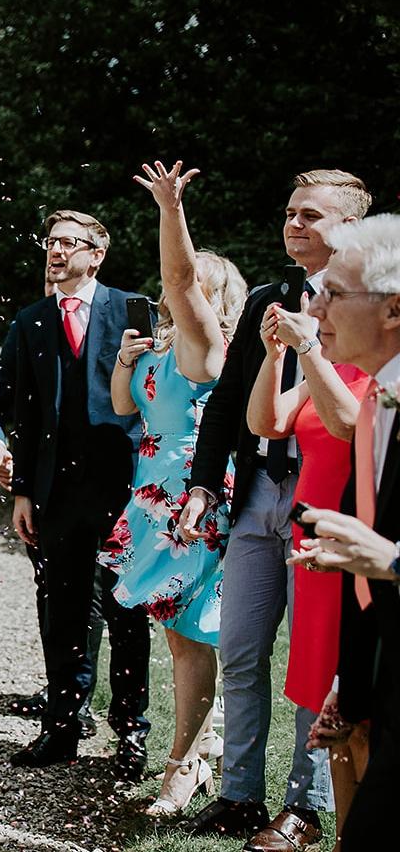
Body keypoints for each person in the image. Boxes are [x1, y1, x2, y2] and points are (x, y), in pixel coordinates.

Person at [180, 170, 369, 846]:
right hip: (260, 494)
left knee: (315, 660)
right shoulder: (268, 295)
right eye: (290, 212)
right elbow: (229, 404)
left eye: (311, 215)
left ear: (348, 228)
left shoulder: (364, 304)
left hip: (330, 498)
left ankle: (307, 806)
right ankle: (238, 795)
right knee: (240, 649)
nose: (294, 224)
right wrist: (205, 485)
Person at [95, 162, 246, 815]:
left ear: (217, 300)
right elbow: (123, 408)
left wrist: (169, 208)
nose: (176, 291)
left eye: (194, 288)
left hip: (195, 503)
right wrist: (129, 358)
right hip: (151, 500)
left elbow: (180, 278)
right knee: (178, 638)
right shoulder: (162, 350)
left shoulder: (209, 350)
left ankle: (183, 767)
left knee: (191, 639)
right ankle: (199, 752)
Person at [0, 209, 152, 776]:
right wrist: (19, 485)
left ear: (96, 253)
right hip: (54, 494)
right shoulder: (31, 320)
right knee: (63, 615)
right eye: (50, 242)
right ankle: (61, 728)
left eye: (68, 244)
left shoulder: (130, 310)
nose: (55, 252)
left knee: (127, 612)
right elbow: (6, 406)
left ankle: (130, 731)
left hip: (123, 490)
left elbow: (158, 399)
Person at [292, 213, 400, 852]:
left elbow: (382, 558)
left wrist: (389, 559)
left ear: (393, 311)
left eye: (334, 293)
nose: (315, 305)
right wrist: (350, 688)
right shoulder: (378, 402)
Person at [247, 277, 368, 842]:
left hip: (358, 542)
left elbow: (350, 425)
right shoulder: (334, 364)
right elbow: (267, 423)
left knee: (358, 696)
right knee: (322, 685)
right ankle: (339, 827)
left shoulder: (374, 372)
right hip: (313, 545)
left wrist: (310, 350)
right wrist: (275, 357)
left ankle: (330, 815)